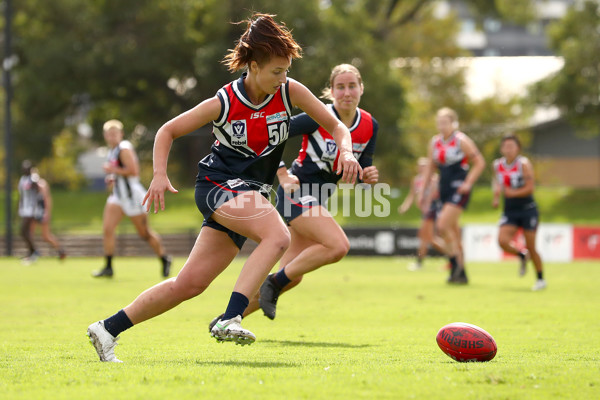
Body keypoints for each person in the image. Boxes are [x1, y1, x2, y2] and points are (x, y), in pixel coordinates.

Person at [86, 13, 361, 362]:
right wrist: (159, 174)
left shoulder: (290, 91)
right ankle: (231, 317)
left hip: (249, 194)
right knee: (278, 236)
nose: (284, 77)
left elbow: (337, 126)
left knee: (189, 285)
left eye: (287, 70)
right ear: (254, 66)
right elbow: (167, 130)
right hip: (218, 185)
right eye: (277, 71)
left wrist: (348, 152)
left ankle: (107, 329)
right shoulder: (225, 101)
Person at [222, 63, 379, 323]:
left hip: (318, 198)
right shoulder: (317, 117)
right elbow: (270, 137)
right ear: (331, 91)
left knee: (291, 277)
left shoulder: (370, 125)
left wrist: (368, 176)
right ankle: (273, 282)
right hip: (296, 193)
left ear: (362, 88)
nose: (347, 92)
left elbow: (361, 171)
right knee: (338, 246)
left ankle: (226, 319)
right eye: (340, 87)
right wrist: (282, 174)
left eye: (352, 86)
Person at [91, 119, 172, 279]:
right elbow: (119, 173)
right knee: (107, 229)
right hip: (118, 196)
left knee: (144, 234)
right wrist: (112, 178)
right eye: (109, 134)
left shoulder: (124, 148)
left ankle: (164, 258)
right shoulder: (112, 151)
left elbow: (134, 171)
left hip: (132, 196)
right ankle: (108, 267)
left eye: (114, 133)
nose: (111, 137)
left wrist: (112, 170)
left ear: (120, 134)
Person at [419, 107, 485, 284]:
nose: (442, 126)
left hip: (459, 188)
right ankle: (462, 275)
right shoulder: (434, 142)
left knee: (441, 226)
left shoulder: (461, 140)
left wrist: (468, 183)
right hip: (444, 189)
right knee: (454, 232)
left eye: (445, 122)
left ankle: (455, 264)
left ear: (453, 123)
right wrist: (423, 193)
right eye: (439, 122)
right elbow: (430, 170)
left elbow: (479, 162)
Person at [492, 135, 546, 291]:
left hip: (528, 210)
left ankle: (540, 279)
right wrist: (496, 197)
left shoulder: (523, 164)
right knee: (502, 240)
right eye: (506, 146)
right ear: (502, 149)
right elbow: (498, 183)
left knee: (531, 246)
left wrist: (512, 193)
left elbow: (530, 188)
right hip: (510, 211)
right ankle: (521, 255)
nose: (508, 149)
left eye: (512, 146)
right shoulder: (497, 165)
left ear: (518, 148)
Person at [398, 157, 445, 271]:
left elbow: (435, 195)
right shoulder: (416, 180)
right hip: (425, 210)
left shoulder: (434, 179)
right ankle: (420, 262)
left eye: (424, 165)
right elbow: (412, 195)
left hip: (433, 209)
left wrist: (427, 206)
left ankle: (453, 255)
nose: (421, 168)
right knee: (426, 238)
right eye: (420, 165)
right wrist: (405, 206)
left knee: (427, 237)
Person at [17, 161, 66, 263]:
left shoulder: (42, 184)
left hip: (42, 212)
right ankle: (32, 253)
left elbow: (47, 199)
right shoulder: (29, 184)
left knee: (46, 236)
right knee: (29, 232)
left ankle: (60, 251)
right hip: (34, 212)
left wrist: (47, 213)